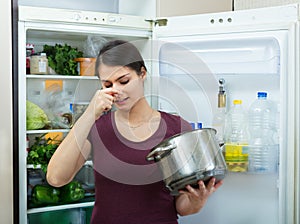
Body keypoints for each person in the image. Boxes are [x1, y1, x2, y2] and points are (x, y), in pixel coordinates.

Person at [46, 40, 223, 224]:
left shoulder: (176, 128)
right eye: (107, 85)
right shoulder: (97, 127)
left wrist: (196, 201)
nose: (117, 91)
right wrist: (90, 113)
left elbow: (181, 206)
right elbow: (56, 178)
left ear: (142, 74)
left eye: (124, 81)